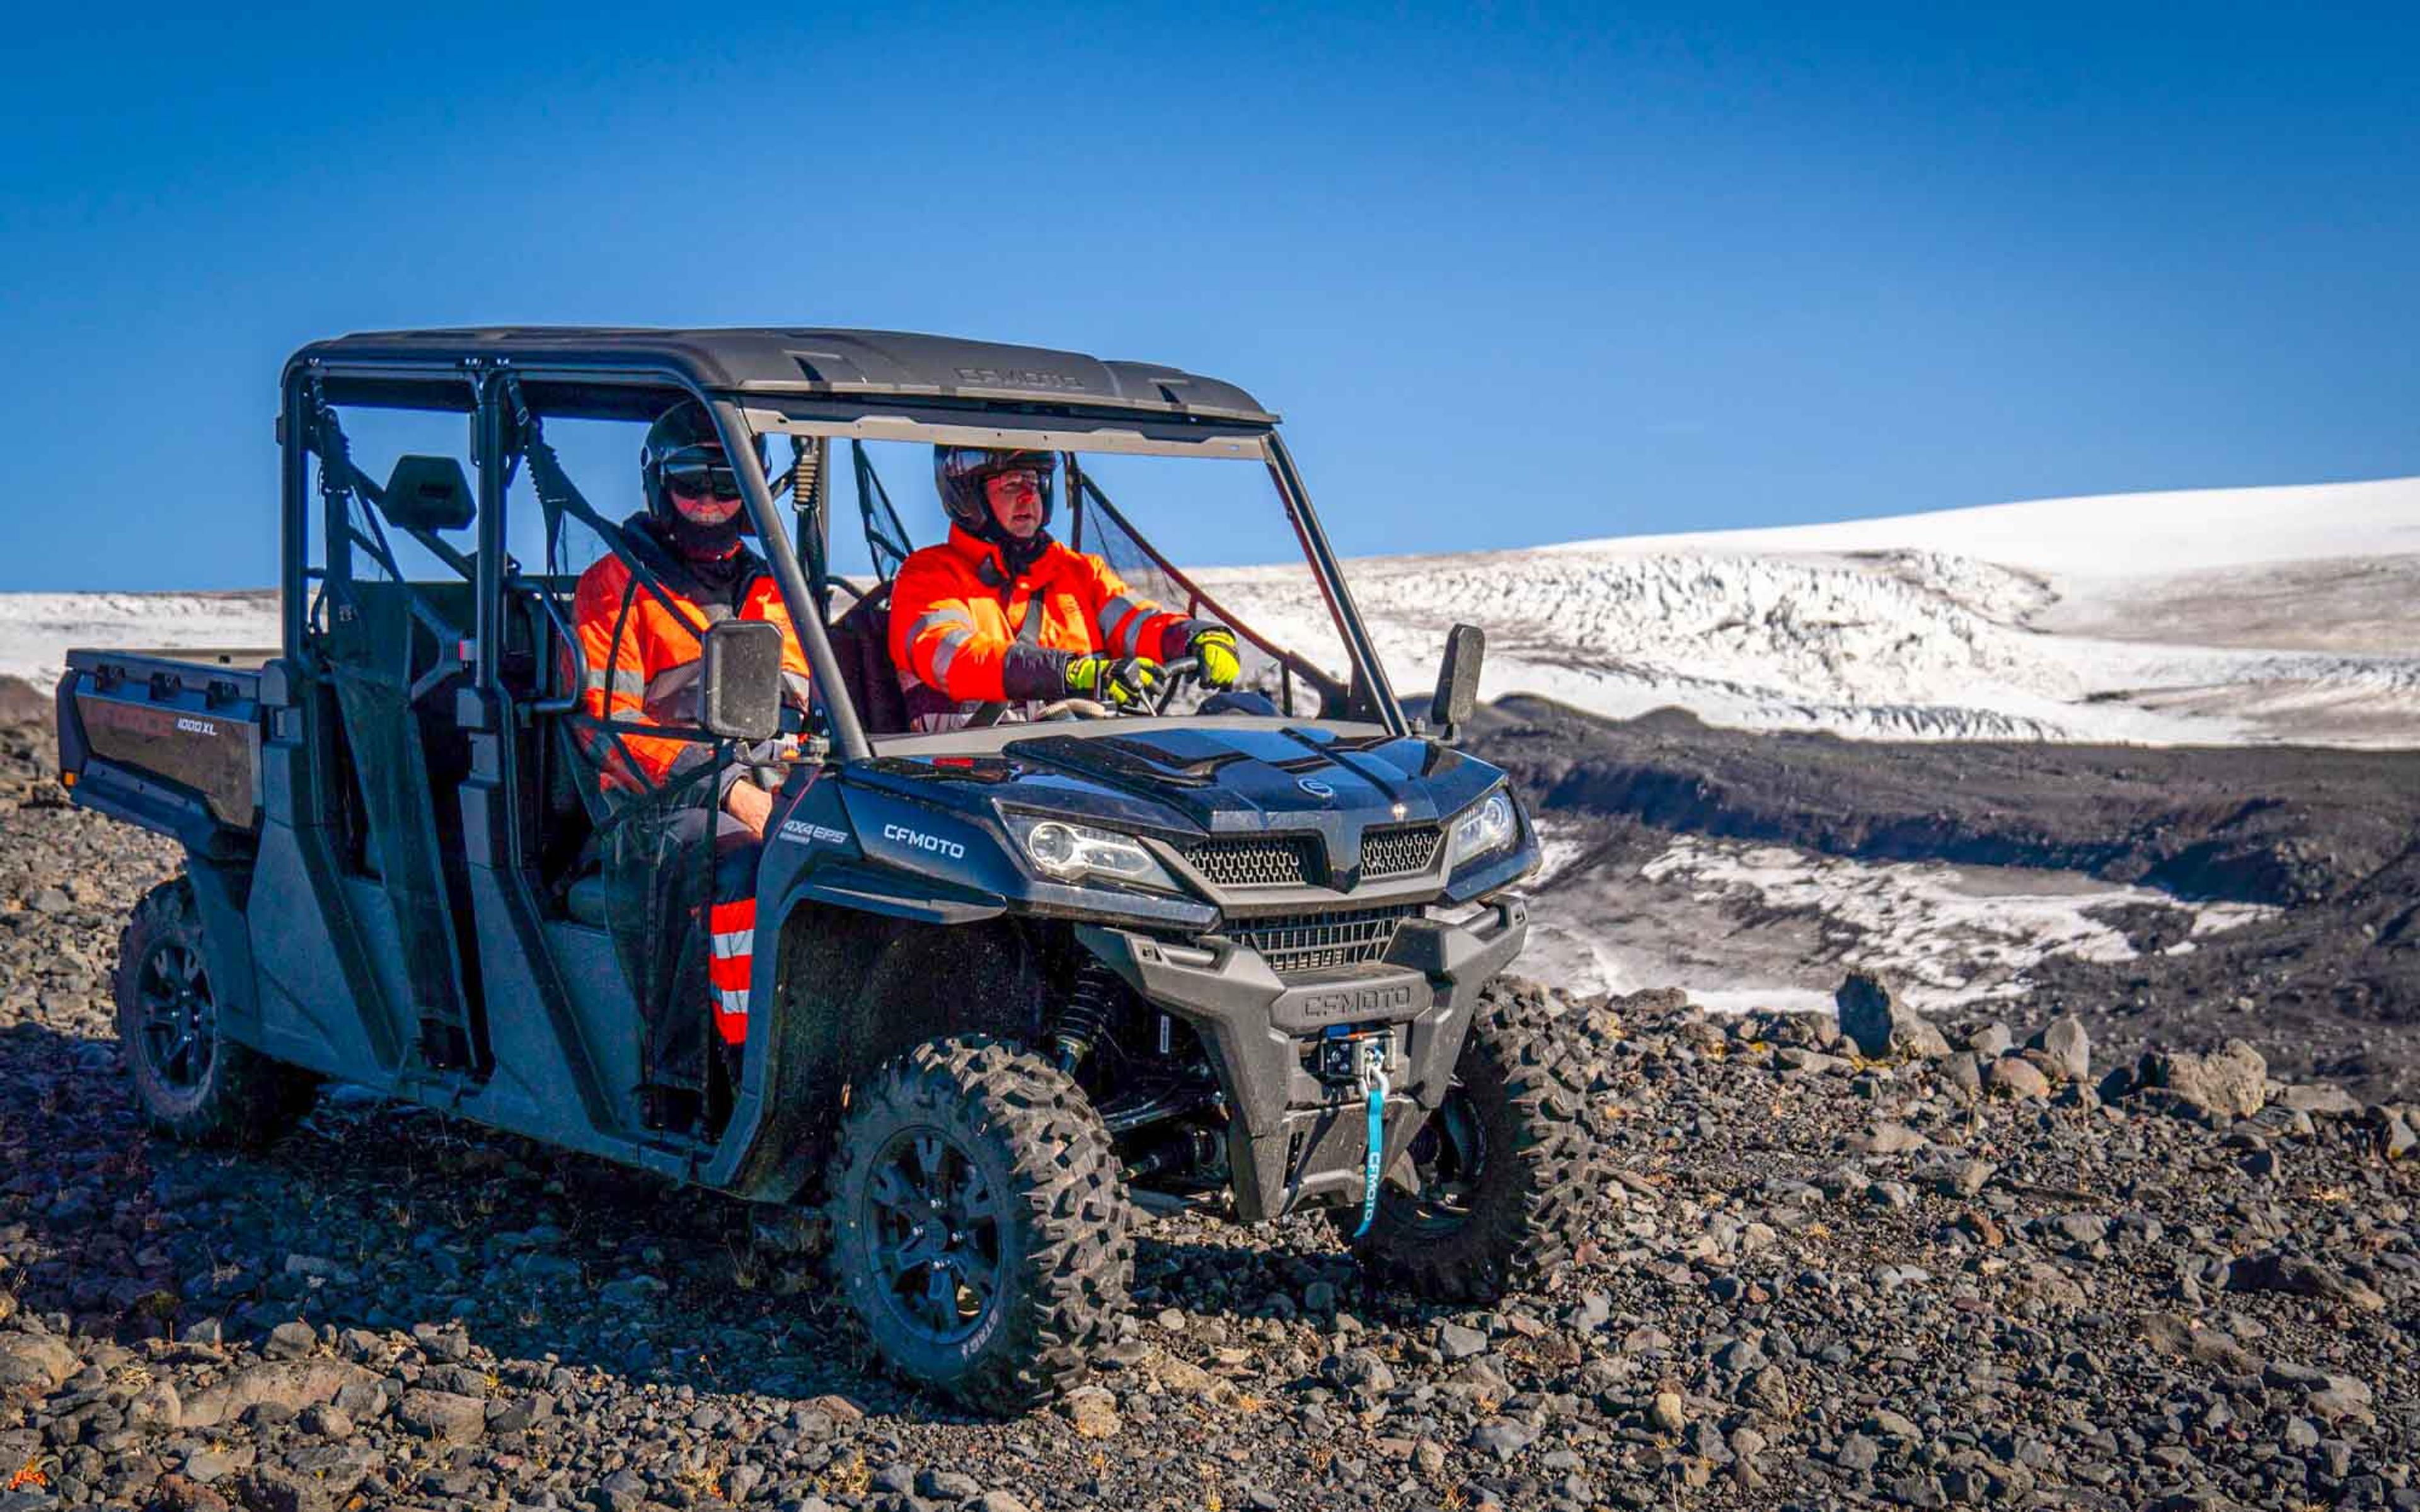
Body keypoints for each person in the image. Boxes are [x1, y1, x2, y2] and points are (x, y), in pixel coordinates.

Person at [568, 401, 812, 1057]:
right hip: (651, 808)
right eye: (692, 483)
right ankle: (727, 1068)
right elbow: (608, 728)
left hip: (769, 784)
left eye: (728, 485)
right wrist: (728, 786)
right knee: (744, 866)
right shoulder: (615, 584)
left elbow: (799, 701)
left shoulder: (769, 585)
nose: (710, 501)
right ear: (657, 484)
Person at [889, 447, 1243, 731]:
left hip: (1081, 766)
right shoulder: (929, 575)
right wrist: (1068, 674)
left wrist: (1195, 636)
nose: (1029, 497)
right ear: (968, 497)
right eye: (1012, 484)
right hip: (966, 772)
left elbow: (1139, 622)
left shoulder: (1079, 571)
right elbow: (954, 659)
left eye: (1035, 482)